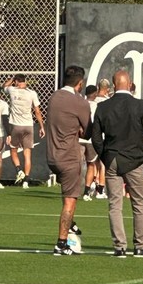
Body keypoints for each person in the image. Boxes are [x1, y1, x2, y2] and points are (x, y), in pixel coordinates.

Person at [91, 70, 143, 258]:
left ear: (114, 85)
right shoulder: (140, 105)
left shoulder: (103, 107)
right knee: (139, 203)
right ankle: (141, 246)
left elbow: (96, 137)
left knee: (115, 204)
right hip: (133, 160)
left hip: (112, 159)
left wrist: (105, 155)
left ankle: (119, 247)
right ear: (130, 84)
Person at [46, 65, 92, 256]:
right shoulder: (79, 102)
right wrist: (79, 130)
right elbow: (88, 132)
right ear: (80, 83)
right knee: (70, 202)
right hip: (69, 157)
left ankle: (71, 224)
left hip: (52, 156)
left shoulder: (53, 97)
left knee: (67, 198)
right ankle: (61, 242)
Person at [3, 74, 44, 187]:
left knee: (13, 150)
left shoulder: (12, 90)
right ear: (25, 82)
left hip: (15, 125)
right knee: (27, 154)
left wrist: (11, 80)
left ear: (16, 82)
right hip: (28, 126)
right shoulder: (32, 93)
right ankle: (26, 180)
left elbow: (3, 87)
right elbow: (37, 111)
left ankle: (18, 170)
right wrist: (41, 126)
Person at [85, 78, 112, 200]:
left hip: (87, 136)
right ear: (108, 88)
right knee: (102, 164)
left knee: (91, 163)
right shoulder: (108, 102)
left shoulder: (90, 100)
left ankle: (91, 185)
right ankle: (100, 189)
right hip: (101, 136)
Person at [81, 85, 101, 201]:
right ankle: (86, 192)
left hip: (78, 138)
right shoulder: (97, 106)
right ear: (94, 94)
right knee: (91, 165)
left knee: (76, 165)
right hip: (90, 139)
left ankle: (72, 189)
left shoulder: (80, 104)